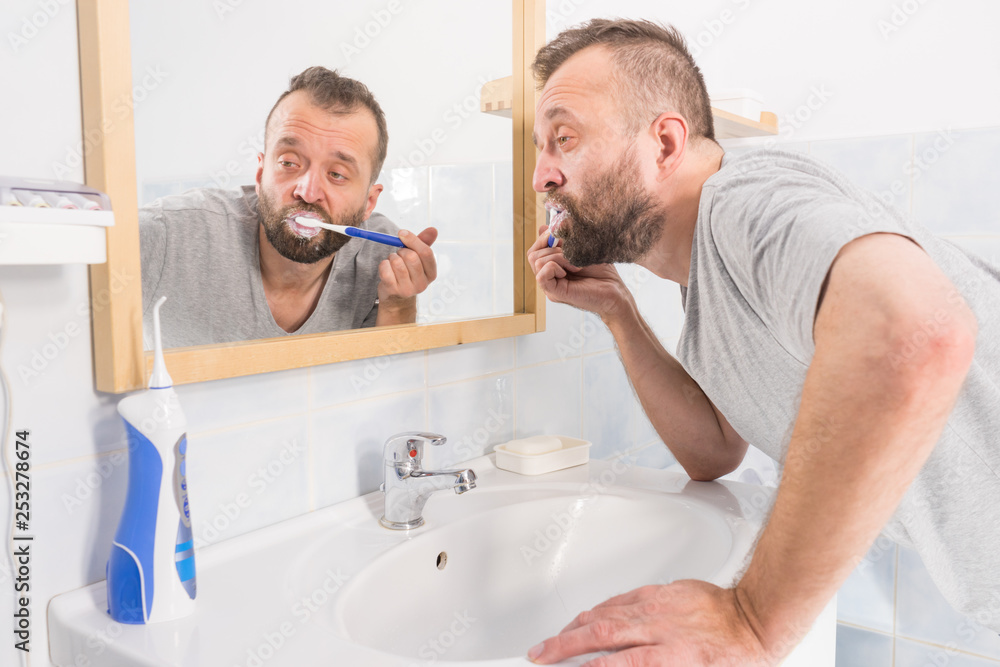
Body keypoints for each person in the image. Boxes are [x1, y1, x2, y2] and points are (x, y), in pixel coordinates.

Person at [526, 18, 999, 666]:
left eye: (564, 138)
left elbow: (917, 328)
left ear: (665, 143)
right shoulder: (705, 281)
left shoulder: (743, 201)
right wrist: (617, 313)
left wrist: (751, 619)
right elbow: (714, 449)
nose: (541, 177)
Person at [140, 66, 437, 348]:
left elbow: (388, 390)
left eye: (336, 174)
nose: (307, 192)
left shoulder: (382, 260)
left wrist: (398, 304)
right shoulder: (168, 235)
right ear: (260, 175)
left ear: (368, 203)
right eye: (289, 163)